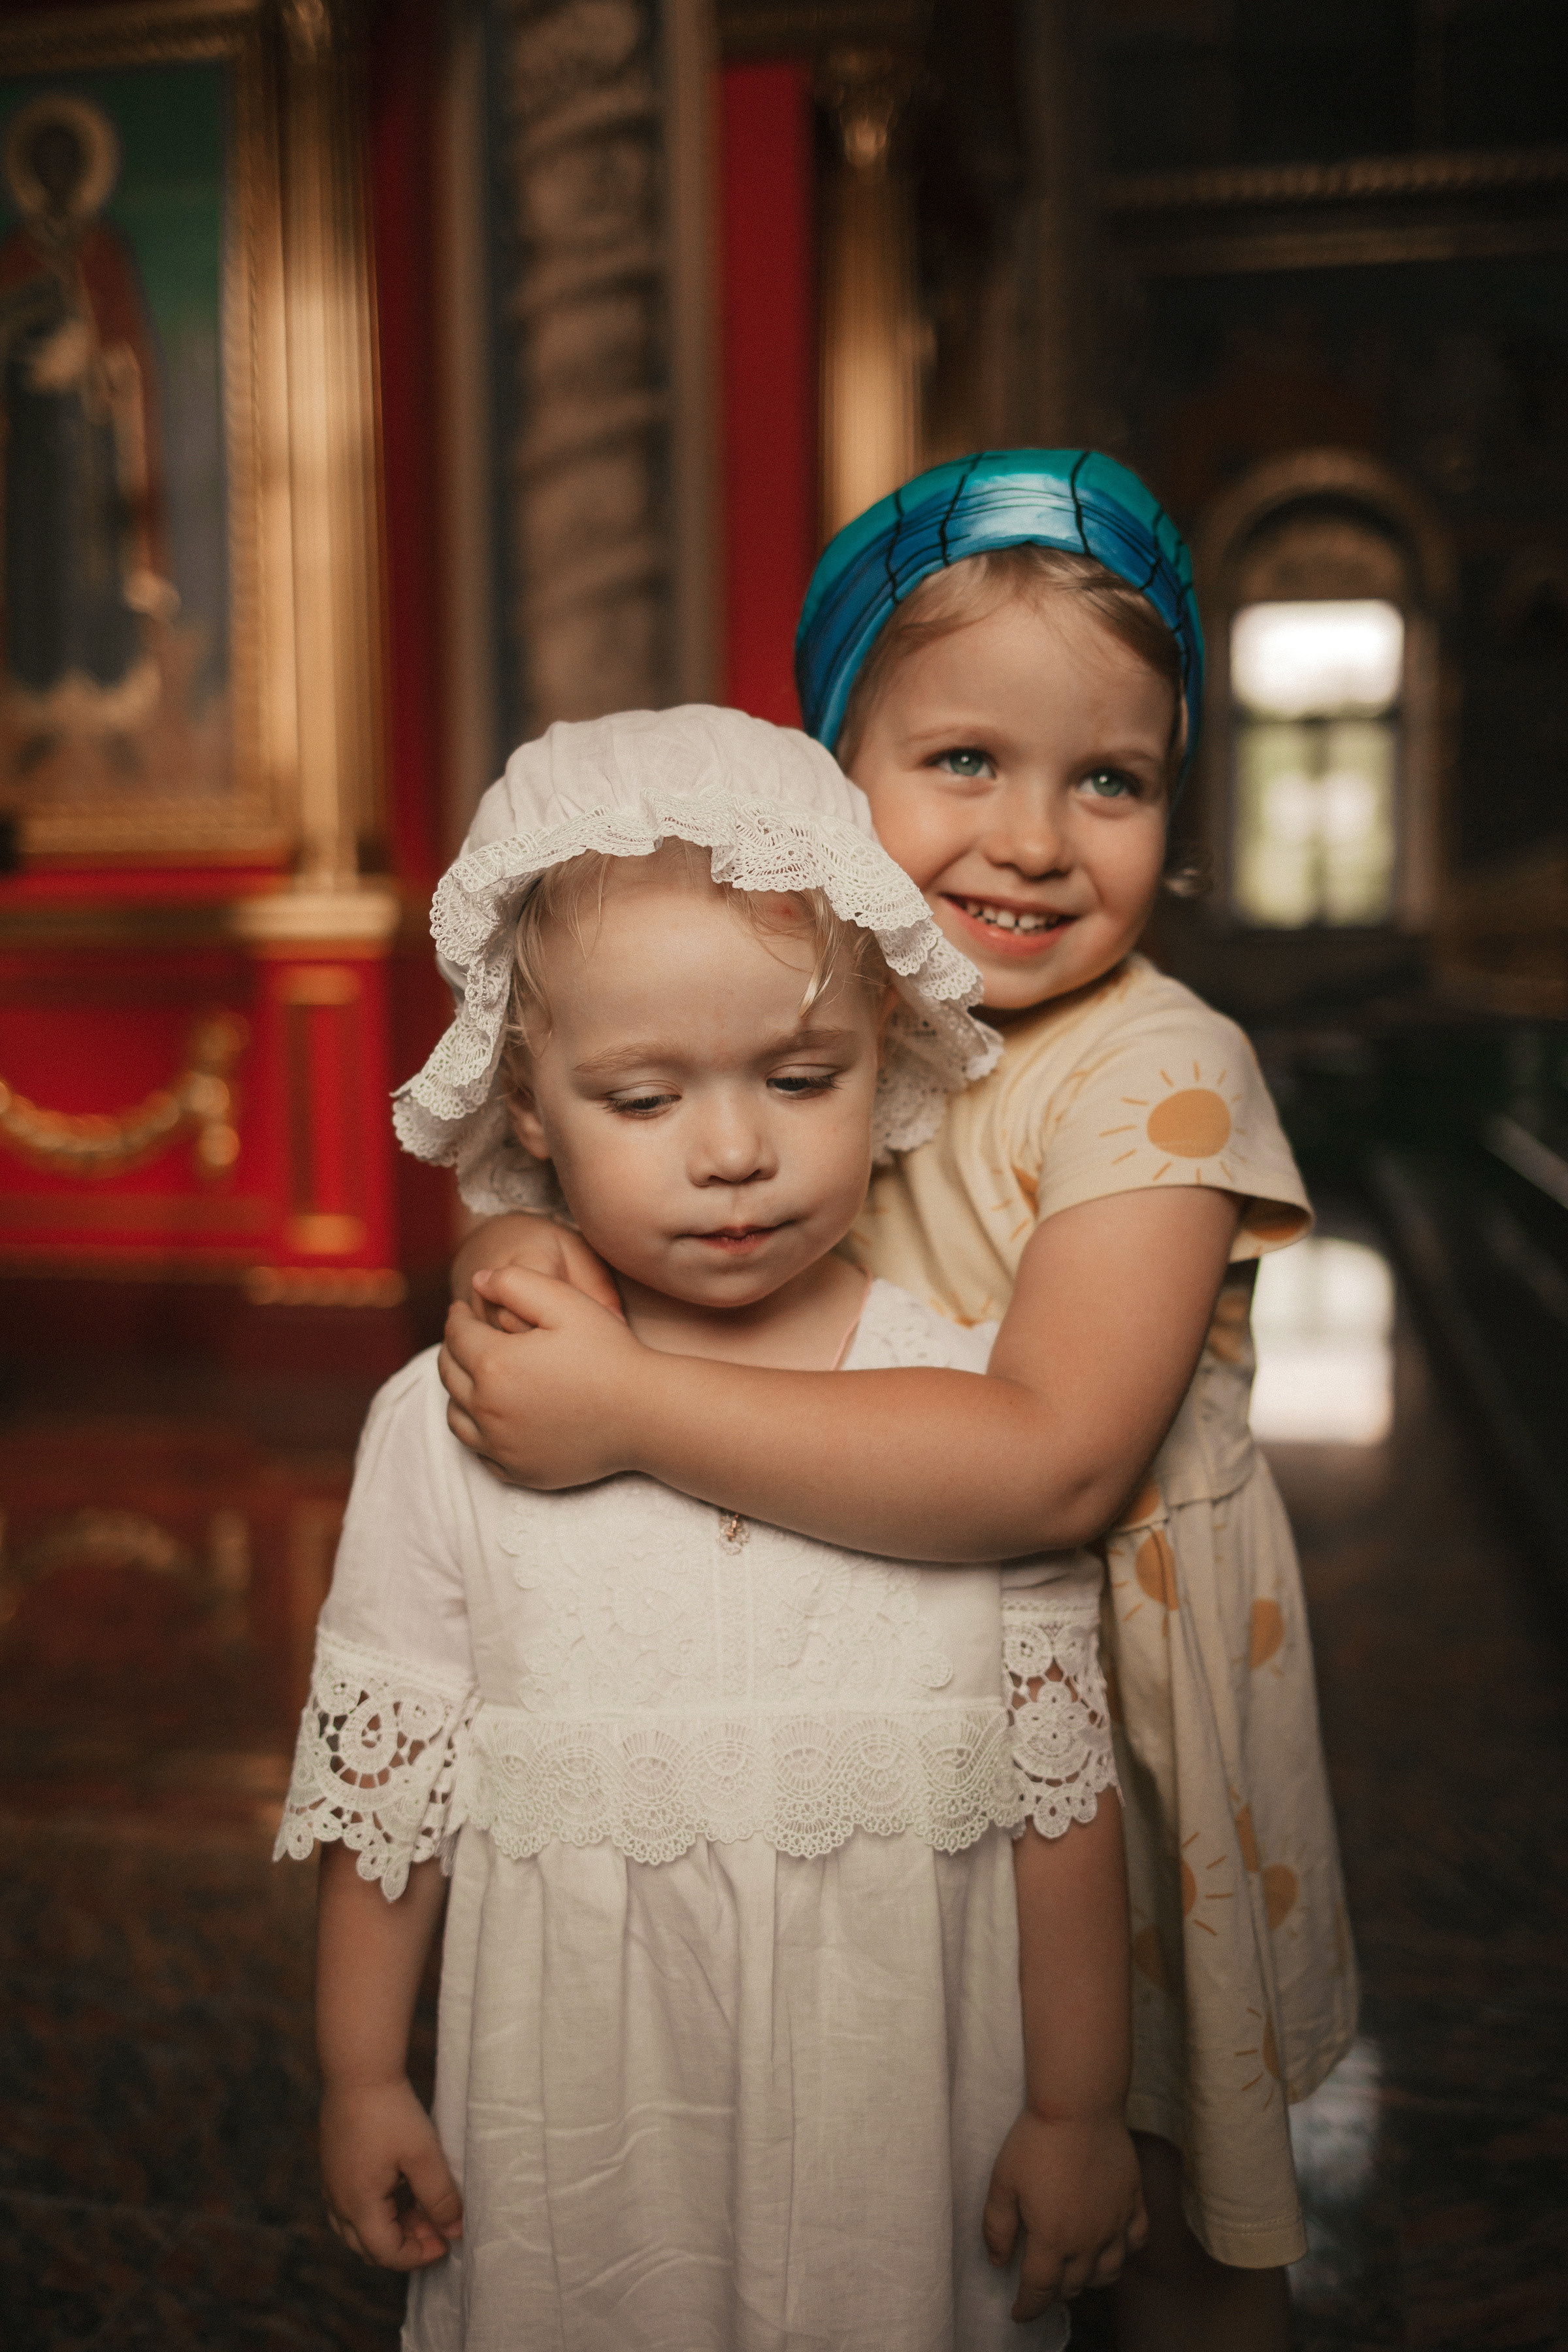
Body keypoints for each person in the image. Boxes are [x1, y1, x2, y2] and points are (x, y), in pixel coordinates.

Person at [440, 454, 1358, 2352]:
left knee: (1174, 2202)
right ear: (822, 776)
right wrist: (522, 1277)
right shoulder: (793, 1020)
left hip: (1126, 1694)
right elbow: (601, 1191)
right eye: (964, 761)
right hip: (891, 1698)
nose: (1035, 836)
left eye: (1110, 778)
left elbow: (1056, 1460)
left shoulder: (1161, 1074)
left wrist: (624, 1410)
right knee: (926, 2174)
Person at [276, 705, 1149, 2351]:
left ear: (885, 1050)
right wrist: (362, 2075)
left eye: (801, 1077)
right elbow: (388, 1802)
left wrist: (1079, 2111)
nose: (738, 1152)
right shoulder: (449, 1423)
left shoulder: (956, 1409)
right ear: (528, 1106)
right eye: (644, 1096)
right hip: (581, 2164)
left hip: (910, 2148)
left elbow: (1060, 1800)